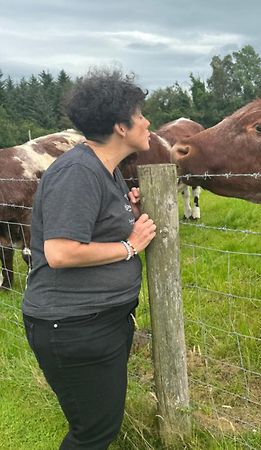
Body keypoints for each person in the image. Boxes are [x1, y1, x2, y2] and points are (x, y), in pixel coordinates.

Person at [22, 68, 157, 449]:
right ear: (120, 125)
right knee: (93, 434)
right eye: (140, 113)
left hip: (95, 323)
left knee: (101, 426)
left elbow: (91, 223)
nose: (147, 121)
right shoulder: (79, 171)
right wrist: (130, 245)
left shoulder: (104, 170)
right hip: (72, 327)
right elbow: (61, 252)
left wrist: (123, 210)